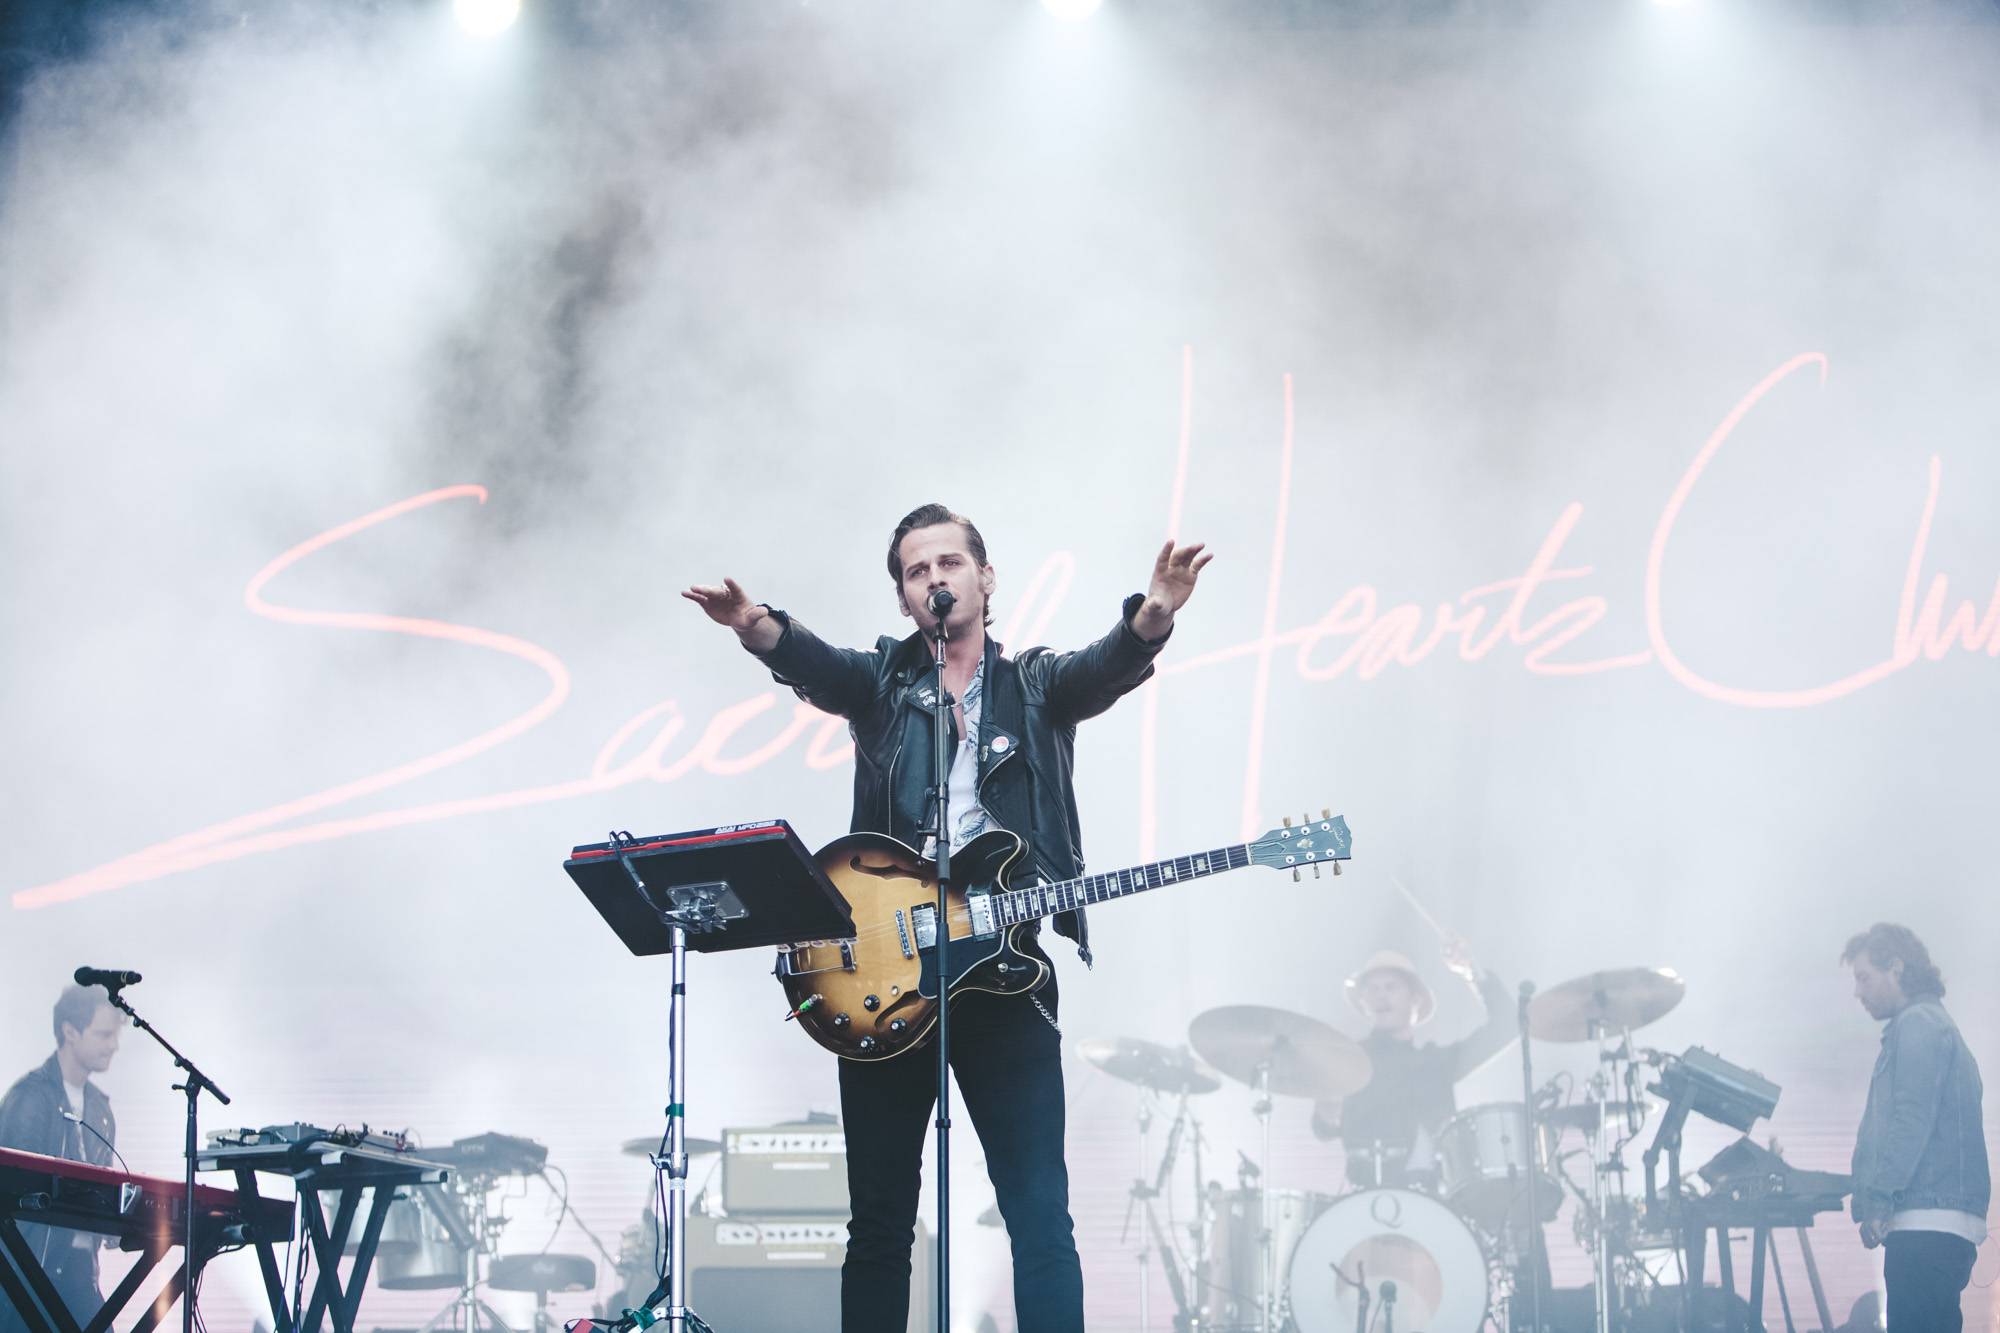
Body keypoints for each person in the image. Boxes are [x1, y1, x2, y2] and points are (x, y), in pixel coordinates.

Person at [685, 503, 1210, 1333]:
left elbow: (1102, 670)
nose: (934, 577)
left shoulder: (1034, 685)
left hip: (1006, 974)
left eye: (949, 563)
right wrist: (757, 626)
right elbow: (819, 667)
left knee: (1040, 1215)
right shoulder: (882, 684)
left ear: (985, 577)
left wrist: (1153, 615)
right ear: (903, 597)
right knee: (881, 1225)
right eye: (916, 569)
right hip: (884, 974)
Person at [1844, 923, 1989, 1333]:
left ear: (1896, 967)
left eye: (1864, 977)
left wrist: (1879, 1200)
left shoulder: (1918, 1025)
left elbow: (1910, 1119)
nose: (1858, 992)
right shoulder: (1936, 1026)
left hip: (1924, 1220)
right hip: (1937, 1221)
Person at [1310, 940, 1513, 1189]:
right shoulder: (1351, 1059)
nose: (1380, 995)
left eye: (1390, 987)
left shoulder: (1435, 1063)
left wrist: (1471, 970)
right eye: (1372, 989)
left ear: (1414, 1001)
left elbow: (1507, 1025)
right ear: (1363, 1002)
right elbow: (1324, 1129)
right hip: (1366, 1199)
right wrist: (1327, 1110)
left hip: (1432, 1198)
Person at [0, 984, 122, 1332]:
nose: (113, 1045)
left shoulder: (99, 1108)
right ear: (70, 1031)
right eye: (103, 1035)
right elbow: (15, 1200)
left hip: (80, 1272)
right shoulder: (29, 1100)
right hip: (32, 1272)